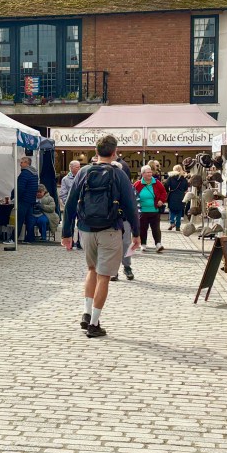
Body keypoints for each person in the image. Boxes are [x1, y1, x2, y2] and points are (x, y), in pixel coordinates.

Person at [61, 135, 140, 339]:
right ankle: (94, 324)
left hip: (86, 229)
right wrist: (137, 234)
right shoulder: (119, 174)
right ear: (114, 153)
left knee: (91, 270)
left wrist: (67, 233)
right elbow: (131, 207)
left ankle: (86, 313)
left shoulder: (84, 172)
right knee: (104, 276)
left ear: (95, 153)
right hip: (110, 229)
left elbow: (70, 204)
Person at [133, 165, 167, 253]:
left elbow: (164, 192)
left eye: (150, 172)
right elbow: (132, 195)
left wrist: (161, 201)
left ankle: (158, 244)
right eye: (148, 172)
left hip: (154, 210)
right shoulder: (138, 184)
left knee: (156, 228)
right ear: (143, 174)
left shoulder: (157, 183)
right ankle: (143, 244)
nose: (150, 174)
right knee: (143, 229)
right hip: (142, 211)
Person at [16, 156, 39, 243]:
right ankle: (30, 238)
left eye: (21, 162)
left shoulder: (25, 173)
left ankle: (14, 238)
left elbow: (20, 188)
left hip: (24, 199)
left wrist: (16, 197)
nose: (20, 164)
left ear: (26, 163)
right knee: (29, 220)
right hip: (31, 199)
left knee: (19, 219)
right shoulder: (34, 173)